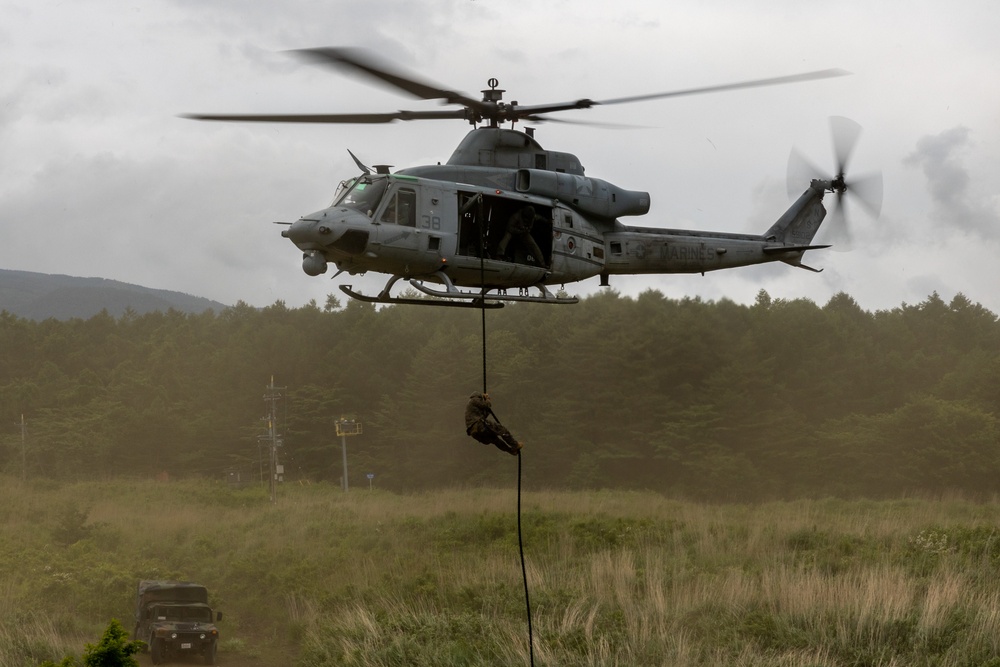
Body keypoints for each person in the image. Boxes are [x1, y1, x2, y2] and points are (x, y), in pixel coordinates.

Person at [465, 391, 523, 455]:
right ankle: (515, 445)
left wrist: (486, 404)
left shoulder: (472, 408)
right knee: (501, 429)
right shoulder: (473, 400)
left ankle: (511, 450)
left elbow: (484, 414)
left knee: (495, 440)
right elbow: (487, 405)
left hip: (474, 432)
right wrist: (487, 399)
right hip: (478, 425)